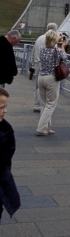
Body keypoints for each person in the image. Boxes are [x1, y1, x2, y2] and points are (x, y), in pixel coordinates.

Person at [36, 30, 68, 136]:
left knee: (44, 104)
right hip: (51, 78)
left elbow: (49, 46)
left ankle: (47, 127)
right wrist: (63, 46)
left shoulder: (42, 49)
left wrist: (55, 40)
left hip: (41, 77)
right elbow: (65, 58)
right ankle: (40, 128)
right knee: (50, 104)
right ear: (55, 39)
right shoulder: (57, 51)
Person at [0, 87, 21, 221]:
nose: (5, 111)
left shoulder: (6, 130)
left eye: (6, 106)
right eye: (2, 107)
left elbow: (8, 157)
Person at [30, 23, 58, 112]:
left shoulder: (39, 38)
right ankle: (46, 105)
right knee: (49, 87)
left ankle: (37, 105)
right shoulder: (52, 39)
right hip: (48, 67)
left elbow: (33, 51)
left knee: (37, 86)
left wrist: (32, 65)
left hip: (38, 63)